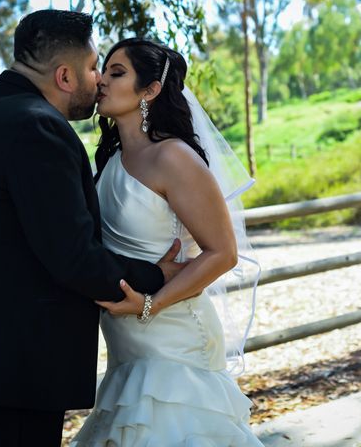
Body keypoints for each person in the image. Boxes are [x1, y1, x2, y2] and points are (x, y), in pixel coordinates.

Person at [0, 11, 185, 447]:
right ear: (66, 76)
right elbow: (72, 257)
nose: (99, 81)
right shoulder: (37, 127)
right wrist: (157, 276)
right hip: (9, 365)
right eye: (94, 68)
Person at [70, 38, 263, 446]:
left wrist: (148, 304)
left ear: (151, 90)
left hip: (172, 335)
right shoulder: (110, 159)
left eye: (117, 72)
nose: (102, 80)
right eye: (103, 70)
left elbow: (223, 252)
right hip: (126, 343)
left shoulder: (172, 157)